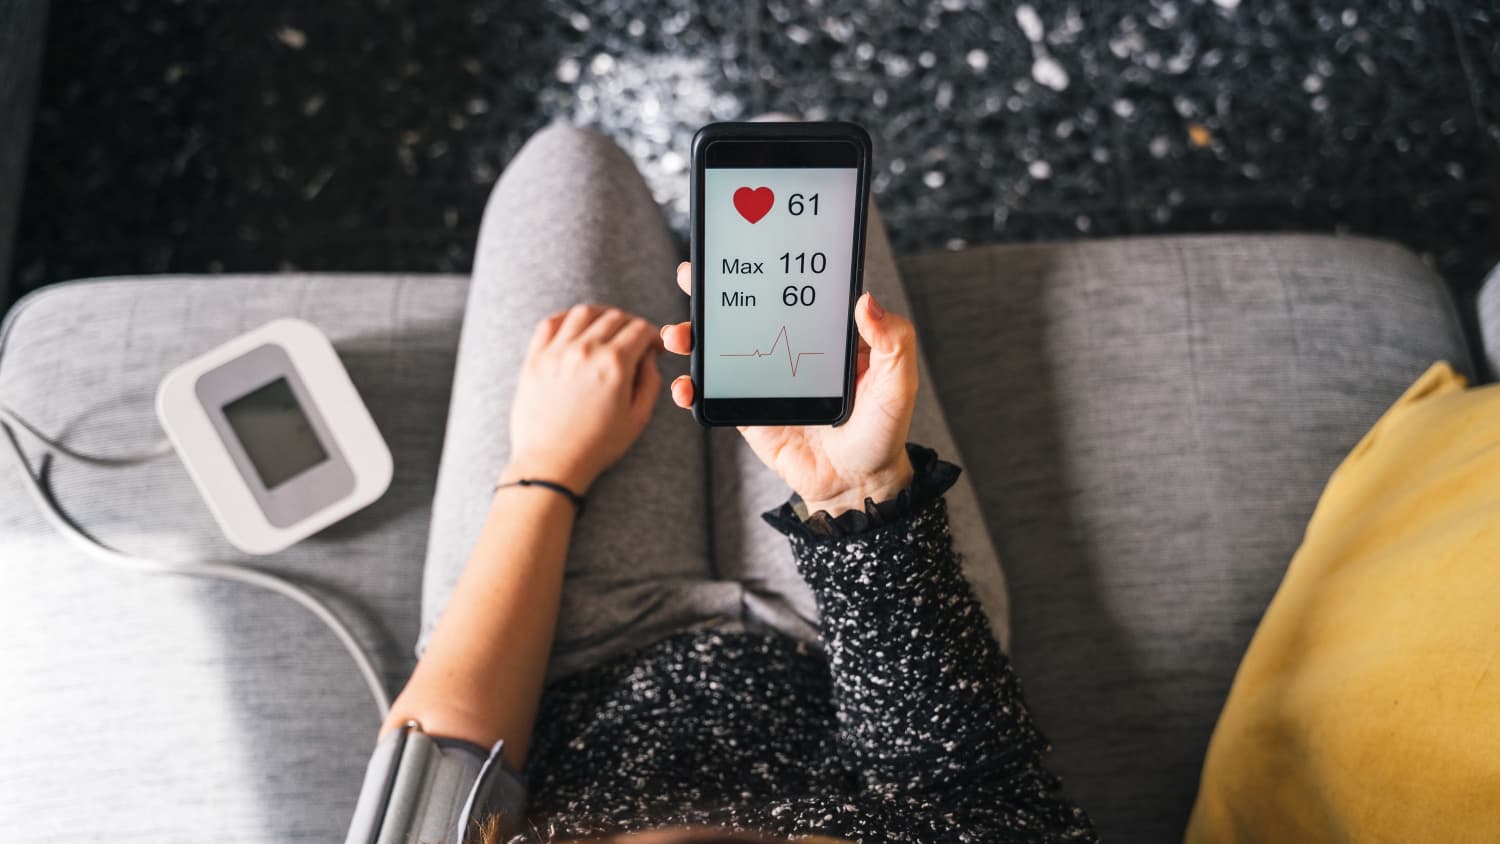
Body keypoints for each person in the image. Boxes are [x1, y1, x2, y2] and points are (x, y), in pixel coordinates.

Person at [345, 124, 1095, 844]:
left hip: (557, 668)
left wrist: (543, 467)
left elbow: (444, 756)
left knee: (571, 166)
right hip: (858, 644)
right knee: (789, 158)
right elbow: (966, 787)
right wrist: (854, 493)